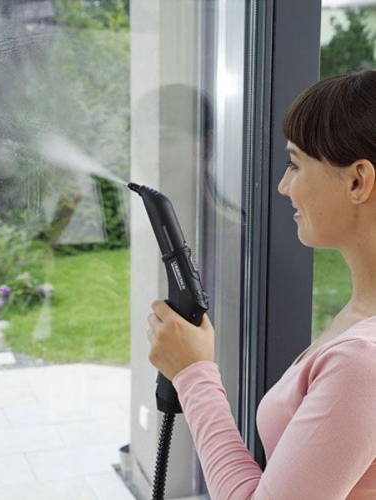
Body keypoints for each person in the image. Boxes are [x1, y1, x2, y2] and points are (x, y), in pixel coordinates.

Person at [146, 69, 376, 499]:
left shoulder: (363, 362)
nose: (284, 186)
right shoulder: (359, 320)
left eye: (295, 164)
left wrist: (193, 375)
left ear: (357, 181)